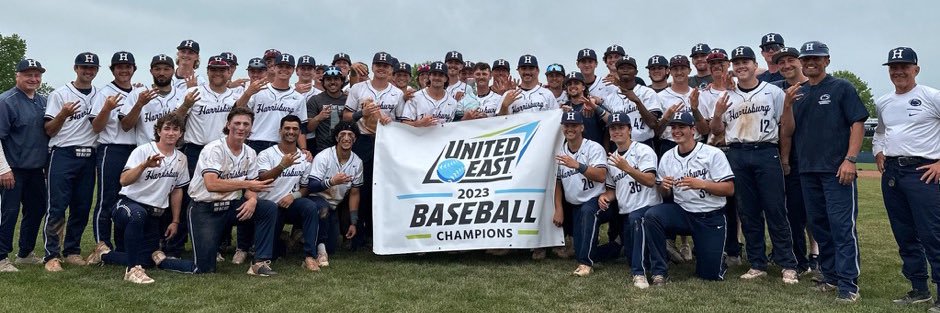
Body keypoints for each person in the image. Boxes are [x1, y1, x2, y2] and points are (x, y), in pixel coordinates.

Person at [783, 41, 868, 302]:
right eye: (806, 58)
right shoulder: (798, 93)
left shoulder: (841, 87)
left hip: (836, 169)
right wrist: (787, 105)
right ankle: (830, 276)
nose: (811, 62)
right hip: (808, 170)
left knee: (842, 227)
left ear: (827, 60)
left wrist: (851, 159)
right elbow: (788, 130)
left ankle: (848, 283)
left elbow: (857, 123)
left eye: (816, 58)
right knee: (819, 226)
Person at [151, 106, 279, 276]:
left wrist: (253, 199)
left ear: (251, 127)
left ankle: (259, 262)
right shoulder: (214, 149)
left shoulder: (250, 152)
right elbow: (211, 184)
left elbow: (251, 187)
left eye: (246, 124)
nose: (241, 128)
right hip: (205, 208)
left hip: (231, 206)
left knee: (267, 208)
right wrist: (246, 184)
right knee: (204, 268)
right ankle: (161, 259)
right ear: (228, 125)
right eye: (237, 123)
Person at [711, 46, 799, 284]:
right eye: (737, 63)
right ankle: (757, 262)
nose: (741, 66)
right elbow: (717, 132)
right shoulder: (727, 96)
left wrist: (784, 158)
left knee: (775, 209)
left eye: (745, 62)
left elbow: (787, 128)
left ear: (754, 64)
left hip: (765, 151)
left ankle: (788, 264)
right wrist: (717, 114)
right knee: (747, 212)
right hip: (737, 153)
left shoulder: (773, 92)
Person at [872, 47, 940, 311]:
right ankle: (919, 288)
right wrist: (878, 151)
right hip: (893, 173)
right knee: (904, 234)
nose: (898, 71)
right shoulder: (884, 101)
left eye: (904, 66)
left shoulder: (931, 96)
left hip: (923, 172)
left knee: (932, 234)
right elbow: (880, 132)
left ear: (916, 69)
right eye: (893, 67)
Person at [86, 112, 190, 284]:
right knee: (138, 214)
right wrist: (144, 165)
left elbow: (177, 190)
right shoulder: (143, 150)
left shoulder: (181, 158)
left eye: (175, 129)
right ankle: (132, 270)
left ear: (181, 133)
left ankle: (104, 255)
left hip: (154, 213)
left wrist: (176, 221)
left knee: (147, 260)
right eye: (166, 129)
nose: (171, 133)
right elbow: (124, 180)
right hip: (128, 205)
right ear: (158, 131)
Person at [644, 111, 735, 284]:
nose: (677, 131)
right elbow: (665, 194)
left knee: (709, 275)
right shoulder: (668, 157)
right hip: (683, 213)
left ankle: (715, 257)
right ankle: (659, 271)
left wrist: (703, 184)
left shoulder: (712, 153)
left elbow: (729, 189)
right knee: (652, 215)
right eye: (674, 127)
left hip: (710, 215)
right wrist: (664, 187)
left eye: (682, 127)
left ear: (693, 130)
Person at [177, 55, 242, 261]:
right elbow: (176, 121)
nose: (217, 73)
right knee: (192, 196)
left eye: (222, 70)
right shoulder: (193, 92)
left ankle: (217, 245)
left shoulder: (234, 95)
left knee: (221, 196)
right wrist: (186, 105)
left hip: (222, 151)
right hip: (196, 149)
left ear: (229, 72)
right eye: (213, 69)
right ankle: (178, 244)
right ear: (207, 71)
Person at [41, 52, 102, 271]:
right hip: (63, 153)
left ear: (97, 70)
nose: (88, 71)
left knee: (82, 206)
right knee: (57, 206)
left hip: (89, 155)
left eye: (92, 68)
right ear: (75, 68)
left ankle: (72, 250)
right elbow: (49, 129)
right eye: (84, 67)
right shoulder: (60, 94)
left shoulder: (99, 94)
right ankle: (51, 255)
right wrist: (63, 114)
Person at [598, 112, 661, 288]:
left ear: (629, 130)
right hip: (626, 212)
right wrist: (605, 196)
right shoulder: (611, 160)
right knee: (629, 253)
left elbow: (650, 181)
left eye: (621, 127)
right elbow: (614, 190)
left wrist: (628, 168)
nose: (617, 131)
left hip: (649, 207)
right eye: (613, 128)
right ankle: (659, 251)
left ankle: (639, 274)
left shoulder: (643, 150)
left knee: (636, 221)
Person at [770, 46, 816, 274]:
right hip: (789, 158)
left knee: (818, 213)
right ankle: (800, 261)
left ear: (800, 62)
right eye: (781, 62)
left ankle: (823, 259)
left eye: (791, 60)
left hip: (816, 157)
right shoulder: (776, 90)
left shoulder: (816, 85)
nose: (786, 65)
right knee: (794, 214)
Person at [0, 59, 49, 272]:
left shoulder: (43, 101)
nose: (33, 79)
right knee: (9, 212)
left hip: (36, 168)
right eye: (28, 74)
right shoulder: (6, 101)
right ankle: (1, 257)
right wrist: (3, 168)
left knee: (37, 208)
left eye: (37, 75)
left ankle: (25, 253)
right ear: (17, 76)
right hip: (12, 168)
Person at [89, 51, 140, 252]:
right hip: (112, 147)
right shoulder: (105, 92)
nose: (124, 70)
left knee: (127, 197)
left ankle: (122, 243)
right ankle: (102, 242)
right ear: (113, 70)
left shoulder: (137, 92)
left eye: (128, 66)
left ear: (134, 69)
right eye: (119, 67)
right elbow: (96, 126)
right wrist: (107, 109)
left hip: (134, 149)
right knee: (106, 197)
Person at [257, 115, 322, 271]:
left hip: (290, 204)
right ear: (280, 131)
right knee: (274, 254)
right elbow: (262, 179)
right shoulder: (266, 154)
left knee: (310, 207)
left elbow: (305, 188)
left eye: (295, 129)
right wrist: (281, 166)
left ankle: (309, 256)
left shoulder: (304, 158)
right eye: (287, 128)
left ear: (299, 132)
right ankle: (283, 241)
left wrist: (293, 196)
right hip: (269, 206)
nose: (290, 132)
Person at [554, 111, 607, 275]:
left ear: (582, 127)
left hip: (599, 200)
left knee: (588, 211)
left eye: (574, 125)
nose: (570, 129)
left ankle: (586, 264)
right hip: (575, 205)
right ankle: (617, 247)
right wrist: (559, 209)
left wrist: (578, 165)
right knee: (579, 249)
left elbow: (601, 175)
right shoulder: (560, 151)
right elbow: (557, 183)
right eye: (567, 125)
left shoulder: (593, 147)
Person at [306, 121, 364, 265]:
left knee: (332, 246)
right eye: (342, 134)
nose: (346, 138)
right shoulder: (324, 156)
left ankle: (304, 236)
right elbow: (311, 186)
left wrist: (353, 222)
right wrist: (331, 182)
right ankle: (319, 252)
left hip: (333, 205)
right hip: (314, 200)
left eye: (350, 135)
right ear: (336, 138)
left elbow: (355, 193)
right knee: (323, 208)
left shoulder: (357, 162)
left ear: (355, 139)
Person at [236, 53, 308, 153]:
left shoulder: (298, 98)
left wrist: (303, 149)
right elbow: (238, 110)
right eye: (280, 66)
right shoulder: (259, 90)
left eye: (288, 67)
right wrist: (247, 93)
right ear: (274, 68)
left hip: (282, 144)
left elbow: (301, 128)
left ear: (293, 70)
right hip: (255, 141)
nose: (284, 69)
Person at [121, 54, 197, 145]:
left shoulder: (182, 94)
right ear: (151, 71)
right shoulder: (138, 93)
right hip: (146, 149)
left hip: (174, 151)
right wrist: (139, 104)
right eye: (157, 69)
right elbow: (125, 126)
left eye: (166, 69)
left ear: (173, 71)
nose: (161, 73)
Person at [601, 56, 663, 148]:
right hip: (618, 147)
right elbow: (607, 130)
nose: (625, 70)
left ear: (636, 72)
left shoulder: (647, 92)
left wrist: (637, 101)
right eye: (622, 68)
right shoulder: (610, 98)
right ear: (617, 72)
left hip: (644, 144)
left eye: (629, 68)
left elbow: (653, 124)